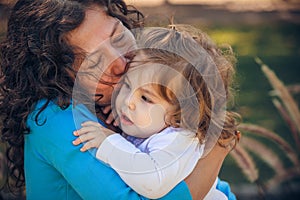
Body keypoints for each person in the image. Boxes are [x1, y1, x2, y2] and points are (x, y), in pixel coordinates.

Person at [0, 0, 236, 199]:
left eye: (117, 35)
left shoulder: (128, 102)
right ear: (57, 76)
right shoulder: (55, 120)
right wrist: (215, 153)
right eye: (94, 62)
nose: (121, 61)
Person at [72, 26, 240, 199]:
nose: (128, 102)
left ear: (180, 115)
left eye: (145, 98)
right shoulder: (154, 126)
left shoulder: (180, 140)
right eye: (127, 85)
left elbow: (153, 183)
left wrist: (109, 143)